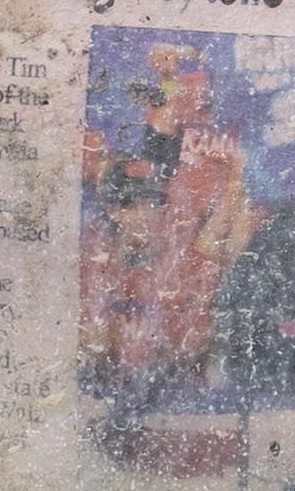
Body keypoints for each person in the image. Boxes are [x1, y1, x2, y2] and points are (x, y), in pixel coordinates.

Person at [82, 43, 253, 398]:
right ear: (114, 209)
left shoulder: (187, 255)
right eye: (129, 204)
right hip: (121, 380)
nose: (141, 212)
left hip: (176, 380)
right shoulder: (98, 257)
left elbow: (192, 346)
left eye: (150, 203)